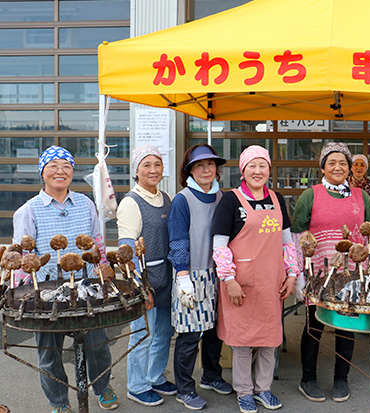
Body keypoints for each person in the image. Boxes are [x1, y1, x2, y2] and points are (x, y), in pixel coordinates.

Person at [12, 146, 118, 413]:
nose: (60, 171)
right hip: (46, 292)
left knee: (98, 343)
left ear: (72, 172)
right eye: (53, 166)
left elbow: (97, 245)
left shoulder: (85, 204)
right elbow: (23, 258)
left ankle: (102, 386)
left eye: (66, 166)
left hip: (86, 286)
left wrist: (104, 272)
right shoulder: (28, 210)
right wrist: (23, 295)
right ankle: (59, 402)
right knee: (49, 351)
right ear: (42, 172)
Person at [291, 142, 370, 403]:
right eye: (332, 163)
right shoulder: (311, 194)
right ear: (322, 167)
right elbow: (296, 234)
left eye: (343, 163)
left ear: (350, 168)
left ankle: (342, 379)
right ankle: (308, 379)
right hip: (318, 274)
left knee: (346, 326)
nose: (338, 167)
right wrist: (298, 274)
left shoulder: (360, 196)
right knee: (314, 326)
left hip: (352, 274)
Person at [212, 145, 297, 413]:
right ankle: (244, 391)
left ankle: (263, 389)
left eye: (263, 166)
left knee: (269, 339)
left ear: (269, 170)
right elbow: (219, 245)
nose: (258, 171)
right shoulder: (230, 201)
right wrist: (228, 279)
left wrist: (292, 273)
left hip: (272, 282)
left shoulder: (277, 199)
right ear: (243, 170)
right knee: (243, 341)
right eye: (252, 166)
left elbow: (287, 243)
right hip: (241, 284)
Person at [167, 144, 233, 410]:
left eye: (210, 164)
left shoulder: (222, 198)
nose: (206, 169)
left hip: (216, 273)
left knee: (214, 330)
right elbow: (178, 239)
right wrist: (182, 276)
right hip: (190, 274)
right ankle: (184, 388)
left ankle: (212, 375)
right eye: (199, 165)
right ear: (190, 171)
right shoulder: (183, 199)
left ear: (216, 169)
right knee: (189, 334)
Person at [116, 145, 176, 407]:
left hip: (167, 277)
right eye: (146, 165)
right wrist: (140, 286)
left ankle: (154, 376)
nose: (153, 170)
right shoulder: (131, 202)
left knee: (164, 331)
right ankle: (137, 385)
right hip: (145, 280)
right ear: (136, 170)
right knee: (142, 334)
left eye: (157, 164)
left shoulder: (165, 197)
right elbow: (126, 251)